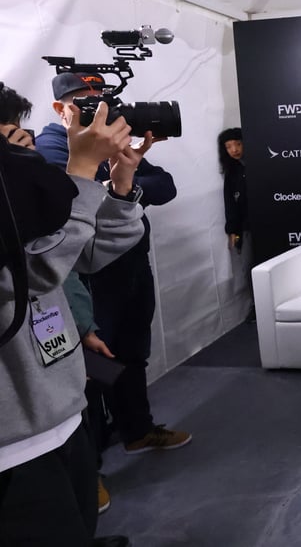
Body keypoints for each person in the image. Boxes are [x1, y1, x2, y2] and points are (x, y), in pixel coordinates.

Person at [1, 97, 152, 547]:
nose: (19, 157)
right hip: (14, 447)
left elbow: (84, 255)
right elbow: (33, 275)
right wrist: (81, 169)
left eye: (21, 139)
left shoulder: (17, 193)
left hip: (64, 415)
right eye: (8, 142)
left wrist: (120, 186)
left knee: (81, 524)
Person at [35, 73, 191, 461]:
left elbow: (166, 185)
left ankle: (137, 430)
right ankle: (93, 466)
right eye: (84, 104)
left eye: (100, 101)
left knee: (132, 355)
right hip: (87, 277)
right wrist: (118, 185)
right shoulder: (50, 148)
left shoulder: (112, 142)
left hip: (133, 266)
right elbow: (71, 208)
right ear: (61, 109)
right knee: (91, 370)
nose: (97, 110)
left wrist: (125, 184)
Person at [217, 127, 248, 254]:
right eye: (228, 147)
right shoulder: (231, 172)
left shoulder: (259, 165)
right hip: (244, 229)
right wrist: (232, 231)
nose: (234, 150)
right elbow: (230, 204)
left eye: (238, 144)